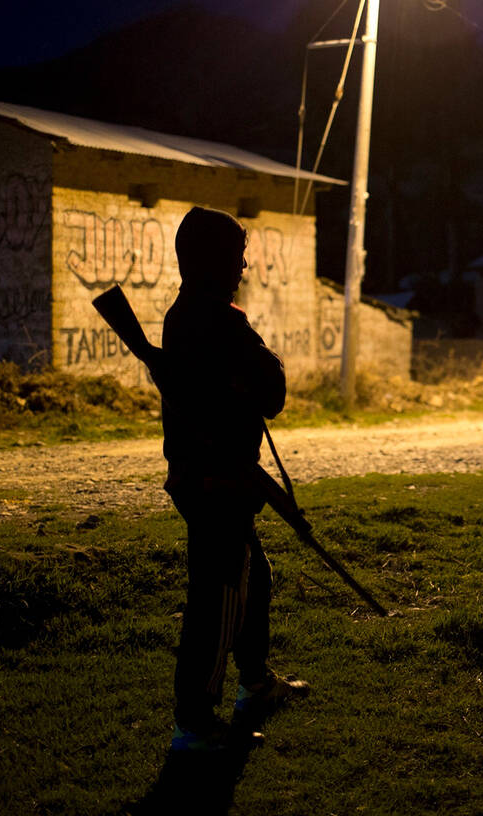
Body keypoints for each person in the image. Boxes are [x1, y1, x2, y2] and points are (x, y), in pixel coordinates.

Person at [161, 205, 308, 751]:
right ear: (216, 261)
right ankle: (194, 723)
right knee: (219, 598)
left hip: (210, 478)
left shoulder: (183, 317)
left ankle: (254, 683)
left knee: (254, 579)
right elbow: (272, 394)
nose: (243, 269)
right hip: (215, 482)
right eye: (237, 259)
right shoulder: (220, 321)